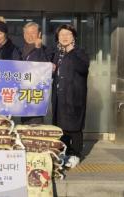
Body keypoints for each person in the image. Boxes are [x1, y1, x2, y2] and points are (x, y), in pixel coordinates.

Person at [52, 24, 89, 168]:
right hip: (60, 97)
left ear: (73, 37)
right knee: (62, 126)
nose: (65, 37)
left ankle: (76, 154)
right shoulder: (58, 54)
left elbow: (83, 68)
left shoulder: (79, 52)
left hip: (74, 96)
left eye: (68, 34)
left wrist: (72, 51)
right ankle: (65, 152)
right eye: (62, 35)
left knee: (74, 127)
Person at [21, 22, 49, 125]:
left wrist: (38, 48)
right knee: (24, 124)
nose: (30, 36)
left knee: (34, 125)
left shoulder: (45, 49)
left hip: (37, 93)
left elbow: (44, 67)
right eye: (27, 33)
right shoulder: (21, 50)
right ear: (24, 35)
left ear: (39, 34)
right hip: (23, 92)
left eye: (33, 33)